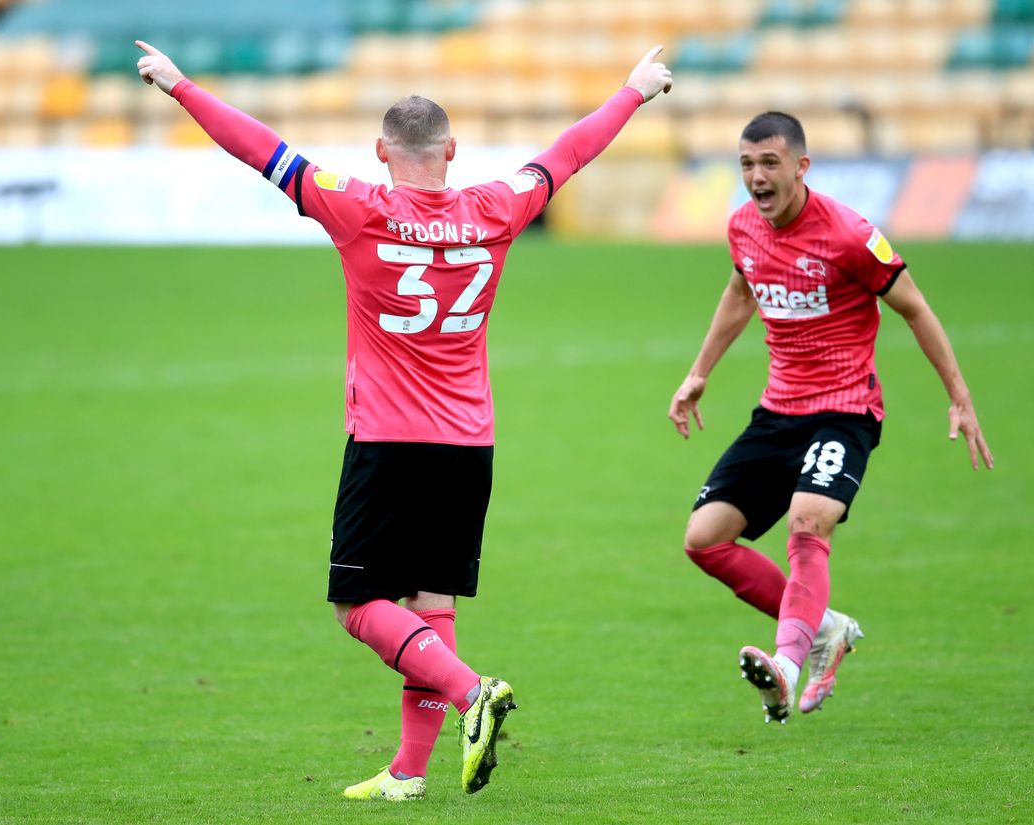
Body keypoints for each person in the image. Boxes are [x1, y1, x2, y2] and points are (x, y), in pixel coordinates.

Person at [136, 40, 673, 796]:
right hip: (470, 444)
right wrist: (634, 90)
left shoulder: (357, 206)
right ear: (452, 150)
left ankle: (470, 692)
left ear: (381, 151)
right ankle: (407, 773)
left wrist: (181, 85)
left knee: (358, 604)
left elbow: (261, 149)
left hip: (389, 439)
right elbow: (567, 154)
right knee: (430, 600)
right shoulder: (496, 207)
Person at [668, 111, 993, 725]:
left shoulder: (849, 234)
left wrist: (959, 395)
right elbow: (741, 291)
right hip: (778, 411)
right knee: (704, 540)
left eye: (769, 163)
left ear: (800, 166)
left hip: (845, 410)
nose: (756, 177)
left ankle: (787, 666)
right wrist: (700, 371)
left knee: (808, 522)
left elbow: (916, 309)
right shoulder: (742, 227)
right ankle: (826, 628)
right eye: (746, 164)